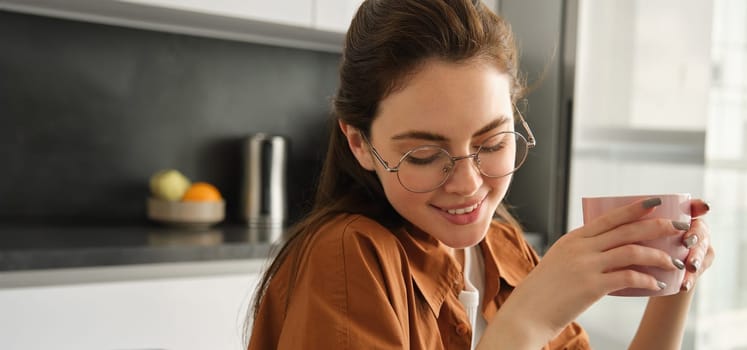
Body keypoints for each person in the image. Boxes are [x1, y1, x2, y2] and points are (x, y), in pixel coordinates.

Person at [246, 0, 714, 349]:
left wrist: (675, 283)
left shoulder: (503, 250)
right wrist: (526, 322)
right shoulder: (350, 256)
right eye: (425, 155)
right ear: (359, 144)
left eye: (491, 144)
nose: (468, 184)